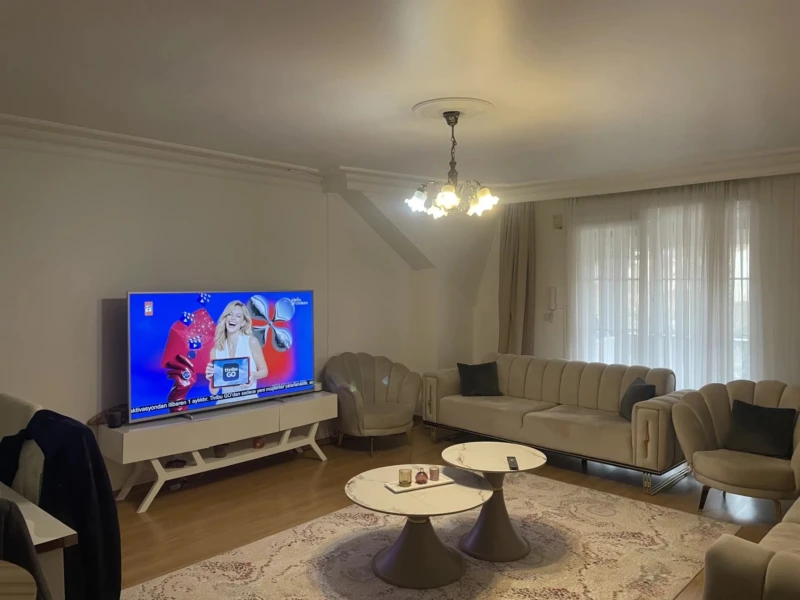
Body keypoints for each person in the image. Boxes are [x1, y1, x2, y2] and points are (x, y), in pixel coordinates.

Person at [204, 300, 268, 402]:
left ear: (243, 323)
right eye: (230, 314)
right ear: (225, 318)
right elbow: (214, 392)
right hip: (226, 404)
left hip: (249, 401)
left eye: (238, 316)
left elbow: (264, 371)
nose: (233, 318)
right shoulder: (215, 351)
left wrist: (252, 375)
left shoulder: (251, 342)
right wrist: (211, 378)